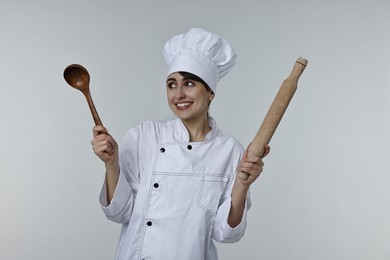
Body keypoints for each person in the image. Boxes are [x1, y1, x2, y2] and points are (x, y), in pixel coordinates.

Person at [91, 28, 270, 260]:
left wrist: (242, 186)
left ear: (210, 92)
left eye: (189, 84)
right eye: (171, 85)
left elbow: (225, 234)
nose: (178, 95)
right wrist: (111, 165)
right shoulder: (144, 136)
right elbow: (119, 213)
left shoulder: (230, 150)